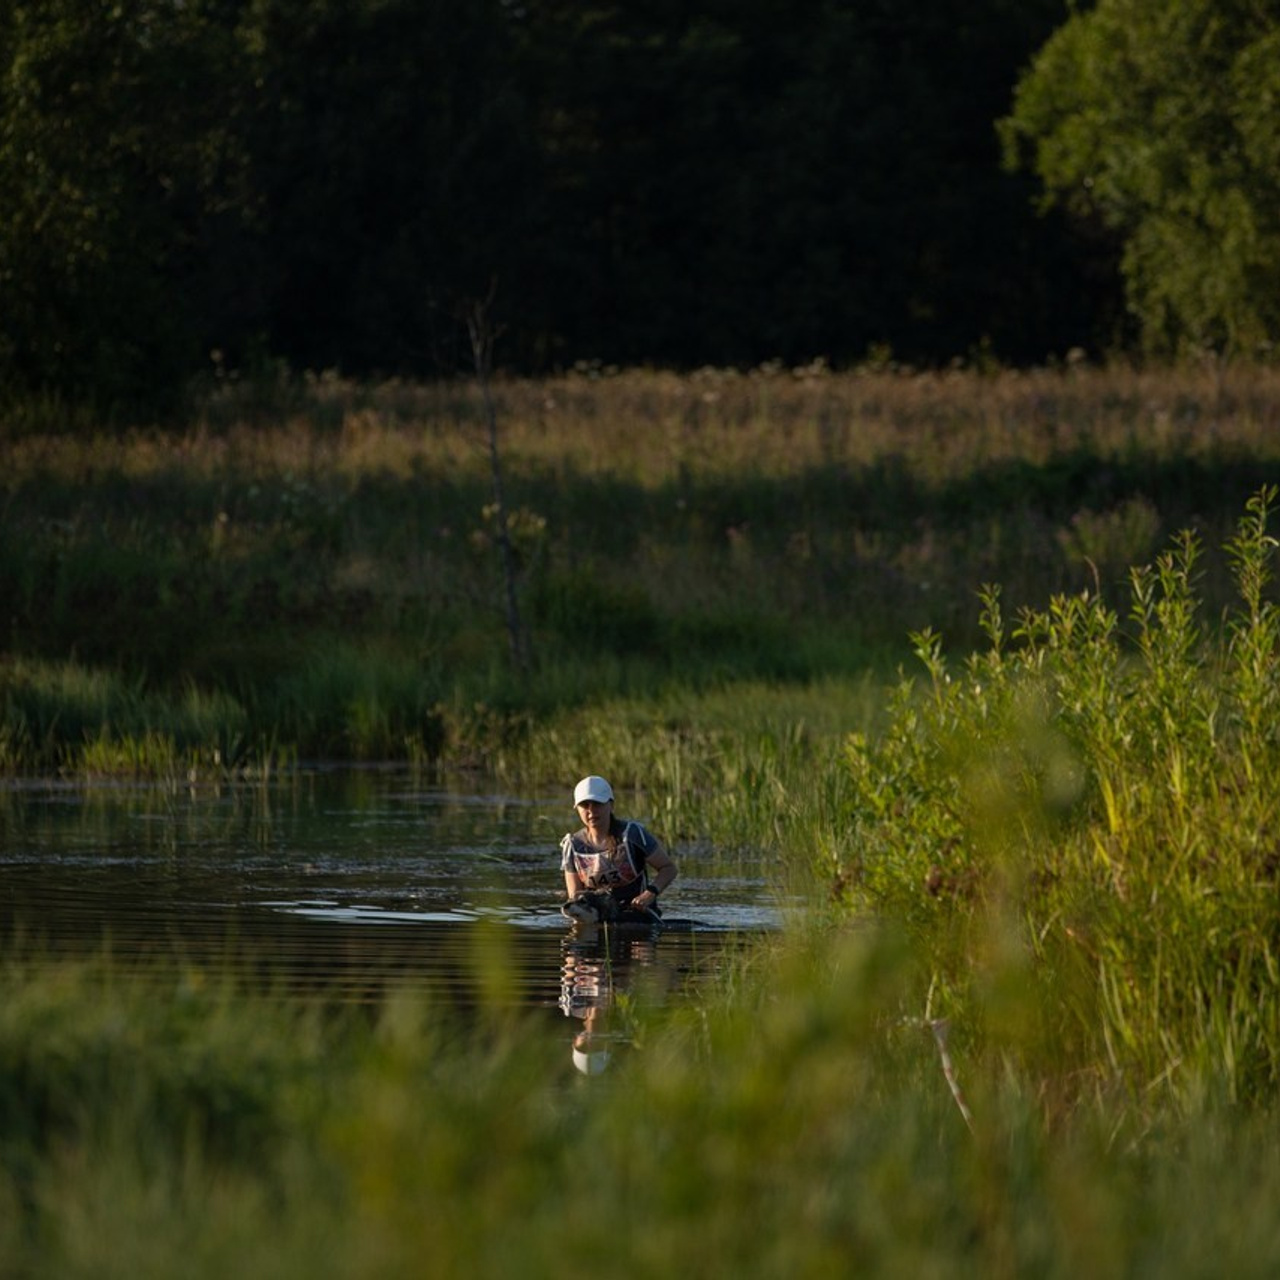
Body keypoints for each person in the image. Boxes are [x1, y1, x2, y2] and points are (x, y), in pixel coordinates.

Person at [560, 775, 677, 918]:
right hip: (598, 921)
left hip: (639, 917)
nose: (591, 811)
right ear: (577, 808)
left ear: (611, 805)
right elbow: (574, 897)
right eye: (585, 805)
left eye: (597, 804)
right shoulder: (573, 845)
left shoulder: (632, 834)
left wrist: (649, 894)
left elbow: (669, 868)